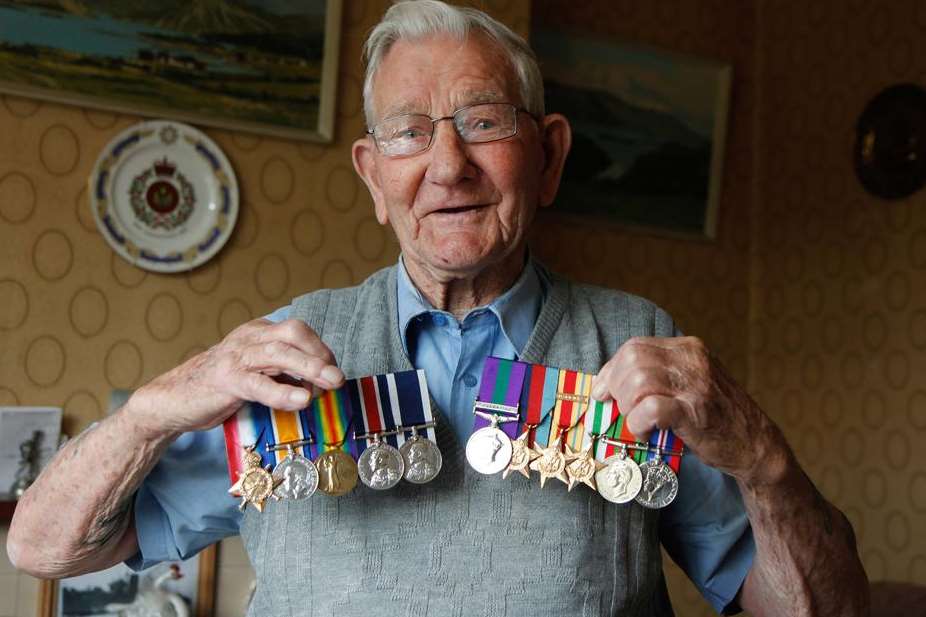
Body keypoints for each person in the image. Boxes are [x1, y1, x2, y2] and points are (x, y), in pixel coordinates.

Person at [8, 2, 868, 616]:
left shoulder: (640, 343)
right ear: (373, 178)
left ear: (551, 156)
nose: (447, 164)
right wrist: (155, 410)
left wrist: (764, 458)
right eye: (408, 132)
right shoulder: (278, 355)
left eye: (483, 120)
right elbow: (44, 548)